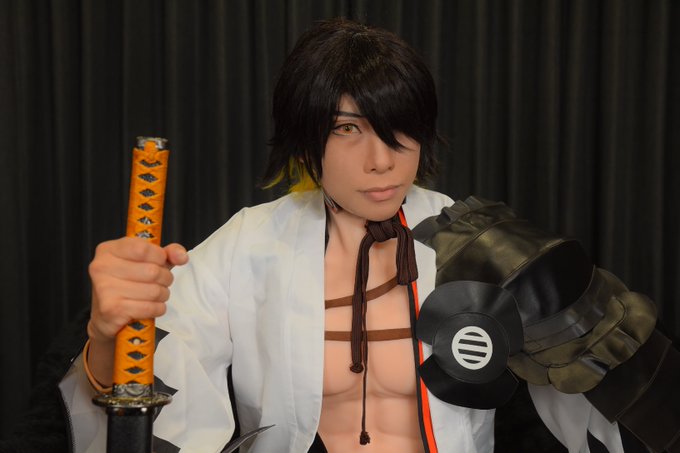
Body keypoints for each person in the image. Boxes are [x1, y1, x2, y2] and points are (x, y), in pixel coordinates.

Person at [59, 18, 678, 453]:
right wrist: (106, 333)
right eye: (347, 129)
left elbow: (636, 398)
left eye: (398, 129)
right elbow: (147, 393)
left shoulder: (484, 242)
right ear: (305, 139)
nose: (382, 161)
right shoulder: (248, 245)